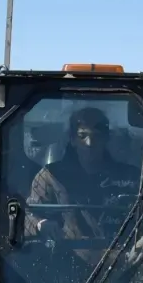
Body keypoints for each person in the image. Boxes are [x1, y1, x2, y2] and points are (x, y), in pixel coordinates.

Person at [28, 104, 120, 243]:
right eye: (82, 136)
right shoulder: (49, 177)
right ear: (72, 139)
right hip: (66, 253)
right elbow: (28, 215)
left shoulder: (129, 177)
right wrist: (41, 224)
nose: (89, 143)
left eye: (96, 136)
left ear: (106, 139)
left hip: (121, 252)